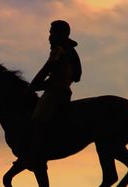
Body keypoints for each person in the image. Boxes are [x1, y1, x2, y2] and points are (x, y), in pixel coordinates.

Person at [22, 20, 82, 170]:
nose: (49, 35)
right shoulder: (71, 51)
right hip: (64, 90)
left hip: (55, 92)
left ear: (60, 34)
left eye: (51, 32)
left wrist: (31, 88)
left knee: (37, 119)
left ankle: (35, 157)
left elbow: (45, 70)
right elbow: (77, 76)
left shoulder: (58, 50)